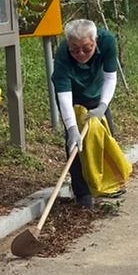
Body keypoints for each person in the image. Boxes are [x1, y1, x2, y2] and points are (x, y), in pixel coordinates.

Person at [51, 19, 120, 208]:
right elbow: (64, 96)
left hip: (98, 93)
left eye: (87, 48)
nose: (80, 54)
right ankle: (82, 193)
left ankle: (108, 184)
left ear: (95, 40)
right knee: (75, 145)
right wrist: (72, 128)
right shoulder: (62, 57)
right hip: (72, 96)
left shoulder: (108, 42)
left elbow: (110, 77)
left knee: (106, 135)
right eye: (75, 49)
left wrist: (102, 107)